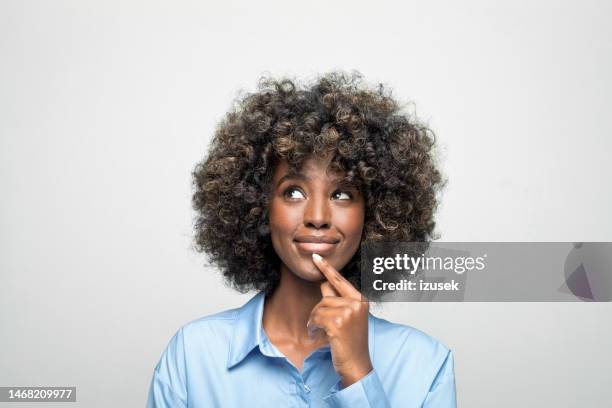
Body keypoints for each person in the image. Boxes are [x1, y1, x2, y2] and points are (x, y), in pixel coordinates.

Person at [146, 71, 456, 407]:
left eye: (342, 194)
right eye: (293, 192)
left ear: (376, 212)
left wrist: (357, 372)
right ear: (257, 205)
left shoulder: (425, 366)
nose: (318, 217)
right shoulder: (193, 357)